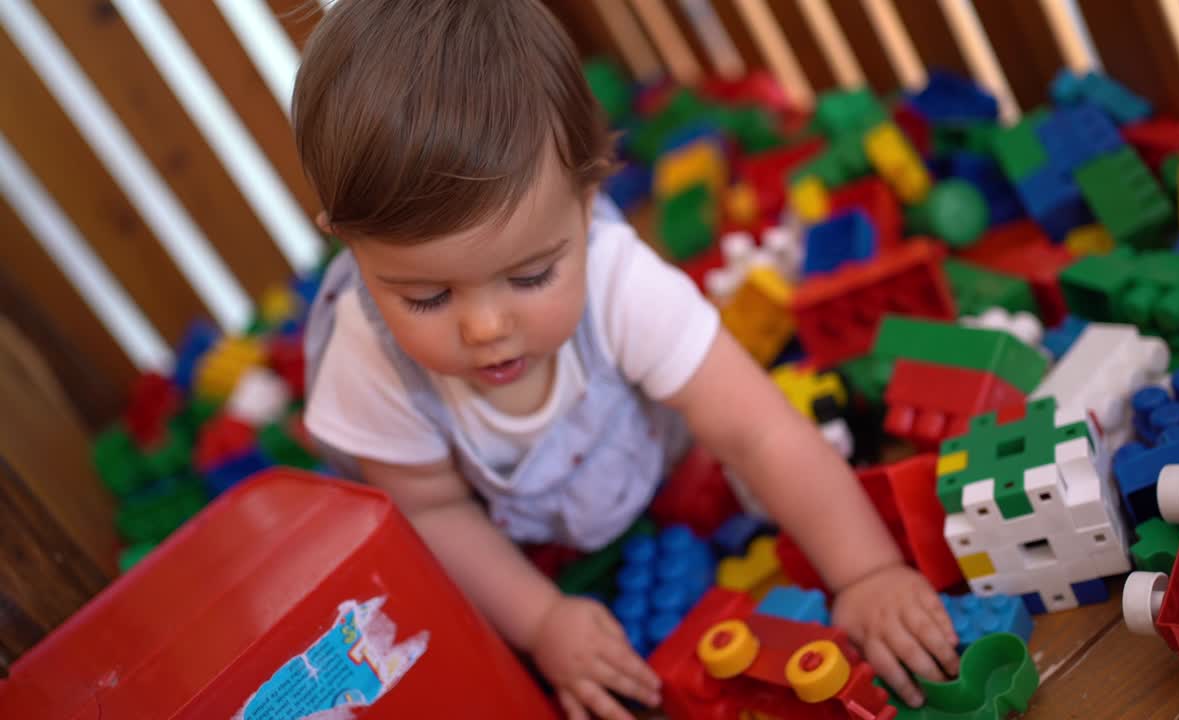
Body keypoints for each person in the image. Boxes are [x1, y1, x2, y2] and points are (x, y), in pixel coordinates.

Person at [295, 1, 958, 717]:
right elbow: (434, 510)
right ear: (349, 246)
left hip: (638, 451)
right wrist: (543, 620)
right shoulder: (370, 359)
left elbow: (758, 430)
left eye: (529, 277)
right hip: (513, 525)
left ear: (587, 202)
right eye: (426, 297)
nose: (487, 328)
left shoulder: (618, 279)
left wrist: (864, 571)